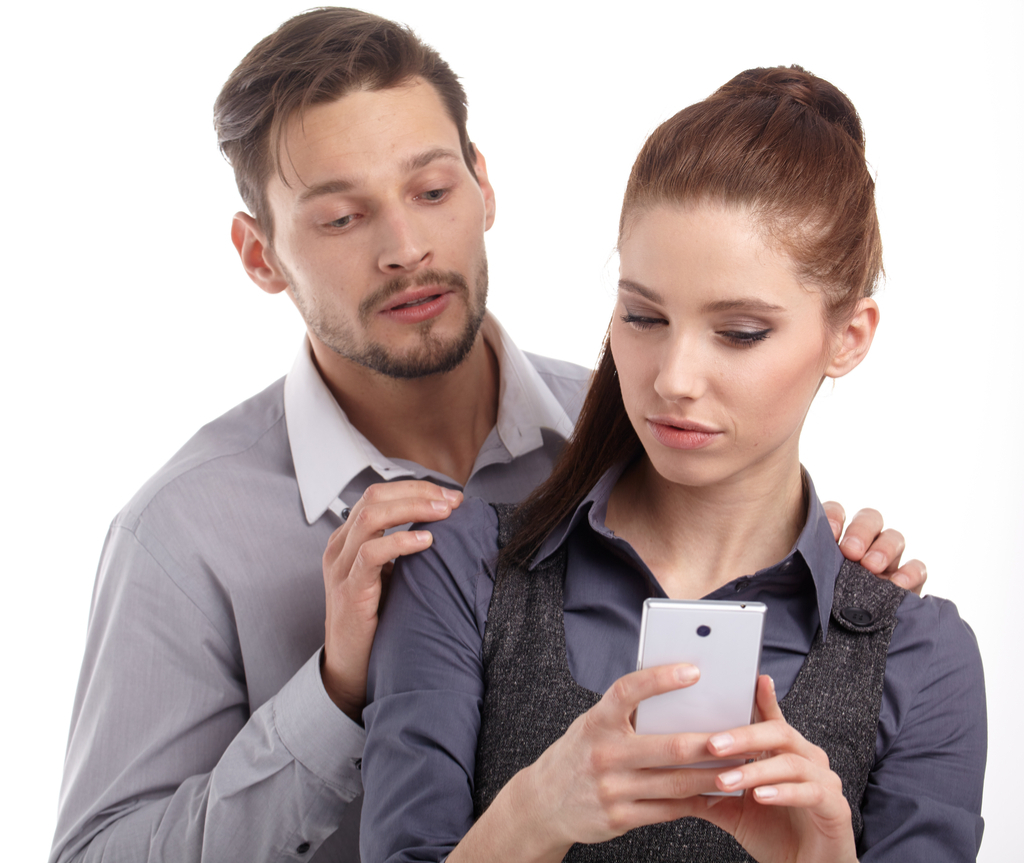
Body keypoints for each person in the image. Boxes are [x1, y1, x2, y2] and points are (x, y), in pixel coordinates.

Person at [49, 9, 924, 862]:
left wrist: (838, 575)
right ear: (260, 255)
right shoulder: (180, 532)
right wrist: (335, 690)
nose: (406, 247)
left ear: (483, 184)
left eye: (432, 191)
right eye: (342, 217)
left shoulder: (645, 421)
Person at [360, 66, 986, 862]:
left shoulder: (921, 657)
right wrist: (535, 813)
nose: (674, 379)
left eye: (741, 332)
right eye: (643, 316)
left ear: (849, 336)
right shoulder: (462, 566)